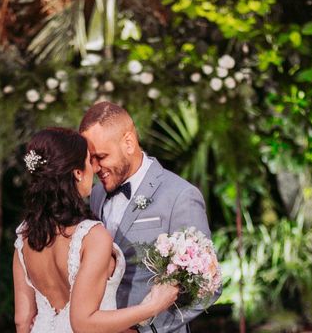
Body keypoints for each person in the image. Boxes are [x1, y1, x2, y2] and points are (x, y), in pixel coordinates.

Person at [13, 127, 178, 333]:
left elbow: (22, 319)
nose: (96, 168)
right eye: (90, 160)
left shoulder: (25, 236)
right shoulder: (91, 236)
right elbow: (83, 323)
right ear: (78, 173)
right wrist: (152, 306)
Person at [80, 102, 220, 333]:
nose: (94, 168)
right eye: (90, 159)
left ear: (128, 142)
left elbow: (209, 286)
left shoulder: (180, 196)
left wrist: (148, 328)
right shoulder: (96, 195)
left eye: (101, 157)